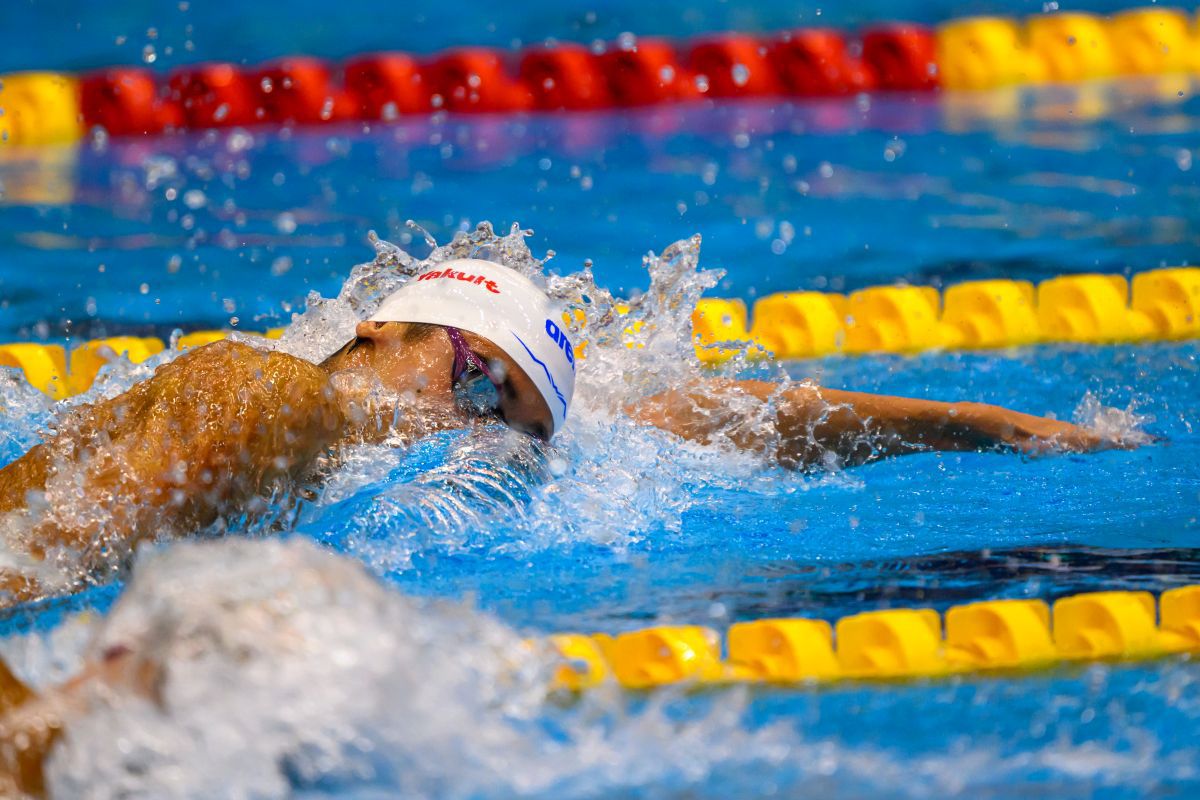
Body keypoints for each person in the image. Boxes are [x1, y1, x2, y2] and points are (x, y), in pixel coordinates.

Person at [0, 258, 1123, 607]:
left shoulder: (338, 445)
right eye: (475, 375)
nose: (464, 422)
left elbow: (715, 414)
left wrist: (975, 422)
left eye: (506, 419)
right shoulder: (266, 395)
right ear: (382, 321)